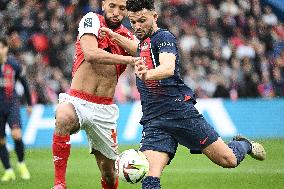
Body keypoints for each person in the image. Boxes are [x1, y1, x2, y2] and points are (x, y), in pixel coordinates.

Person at [101, 0, 266, 188]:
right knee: (150, 178)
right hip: (154, 121)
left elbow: (168, 67)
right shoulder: (144, 42)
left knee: (228, 160)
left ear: (155, 17)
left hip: (180, 113)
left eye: (142, 21)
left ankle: (244, 144)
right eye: (133, 22)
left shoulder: (164, 37)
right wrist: (114, 37)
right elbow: (137, 48)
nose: (137, 27)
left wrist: (148, 74)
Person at [51, 0, 139, 189]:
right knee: (64, 117)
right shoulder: (91, 20)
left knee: (109, 174)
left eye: (122, 8)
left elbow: (143, 53)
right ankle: (59, 183)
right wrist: (129, 58)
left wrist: (120, 39)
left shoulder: (126, 36)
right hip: (78, 100)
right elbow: (91, 53)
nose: (116, 12)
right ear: (104, 4)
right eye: (112, 6)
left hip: (104, 109)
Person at [0, 38, 32, 182]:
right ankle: (8, 170)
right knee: (1, 141)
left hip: (11, 104)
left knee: (17, 135)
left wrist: (29, 104)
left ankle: (21, 164)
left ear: (6, 48)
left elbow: (24, 84)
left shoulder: (13, 64)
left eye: (1, 47)